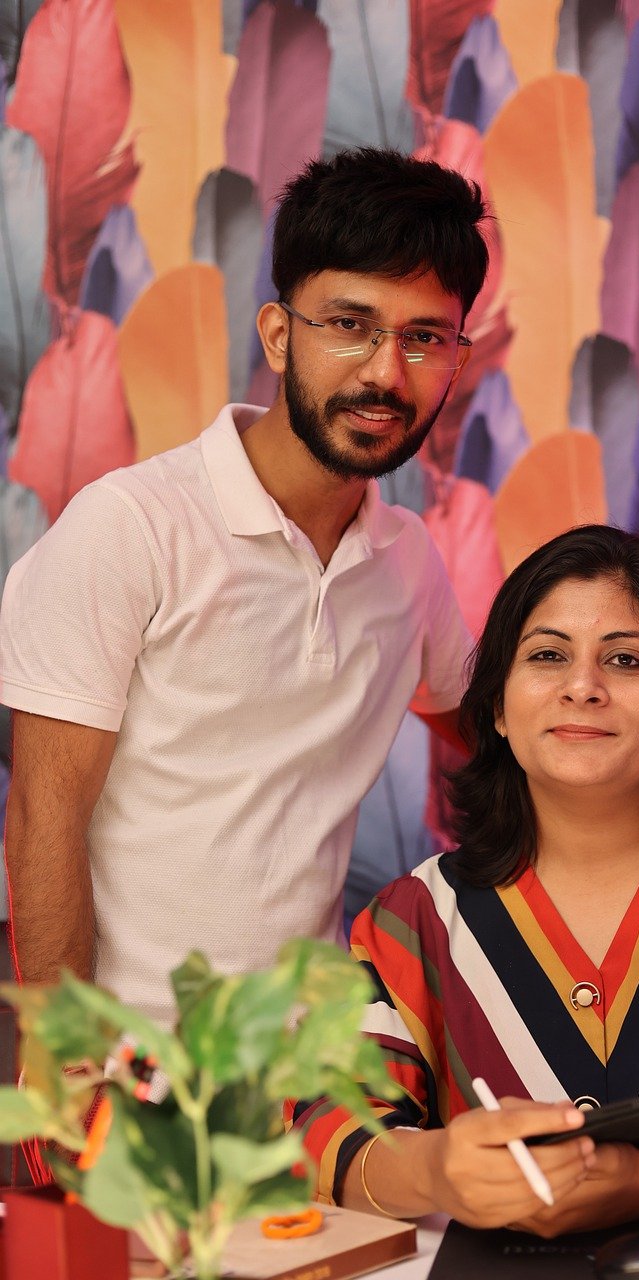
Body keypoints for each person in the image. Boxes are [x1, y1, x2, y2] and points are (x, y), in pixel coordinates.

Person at [0, 147, 487, 1026]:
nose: (385, 372)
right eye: (349, 323)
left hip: (311, 1064)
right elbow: (45, 815)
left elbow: (493, 726)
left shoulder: (407, 559)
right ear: (277, 333)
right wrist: (72, 1072)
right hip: (137, 1062)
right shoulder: (132, 524)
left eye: (424, 338)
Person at [287, 525, 639, 1235]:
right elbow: (325, 1122)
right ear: (497, 707)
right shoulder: (412, 918)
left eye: (624, 660)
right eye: (547, 655)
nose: (582, 687)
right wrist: (434, 1171)